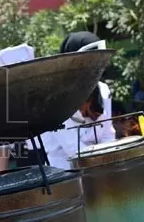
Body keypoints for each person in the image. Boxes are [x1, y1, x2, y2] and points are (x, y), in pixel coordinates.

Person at [39, 32, 115, 169]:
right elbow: (73, 149)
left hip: (101, 168)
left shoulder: (103, 90)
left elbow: (108, 134)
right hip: (64, 174)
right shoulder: (55, 98)